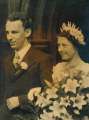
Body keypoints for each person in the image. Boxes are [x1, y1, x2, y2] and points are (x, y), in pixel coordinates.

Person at [0, 12, 53, 120]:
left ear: (27, 32)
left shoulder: (43, 59)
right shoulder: (5, 60)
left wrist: (21, 100)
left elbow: (50, 91)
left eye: (14, 32)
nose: (9, 37)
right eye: (7, 32)